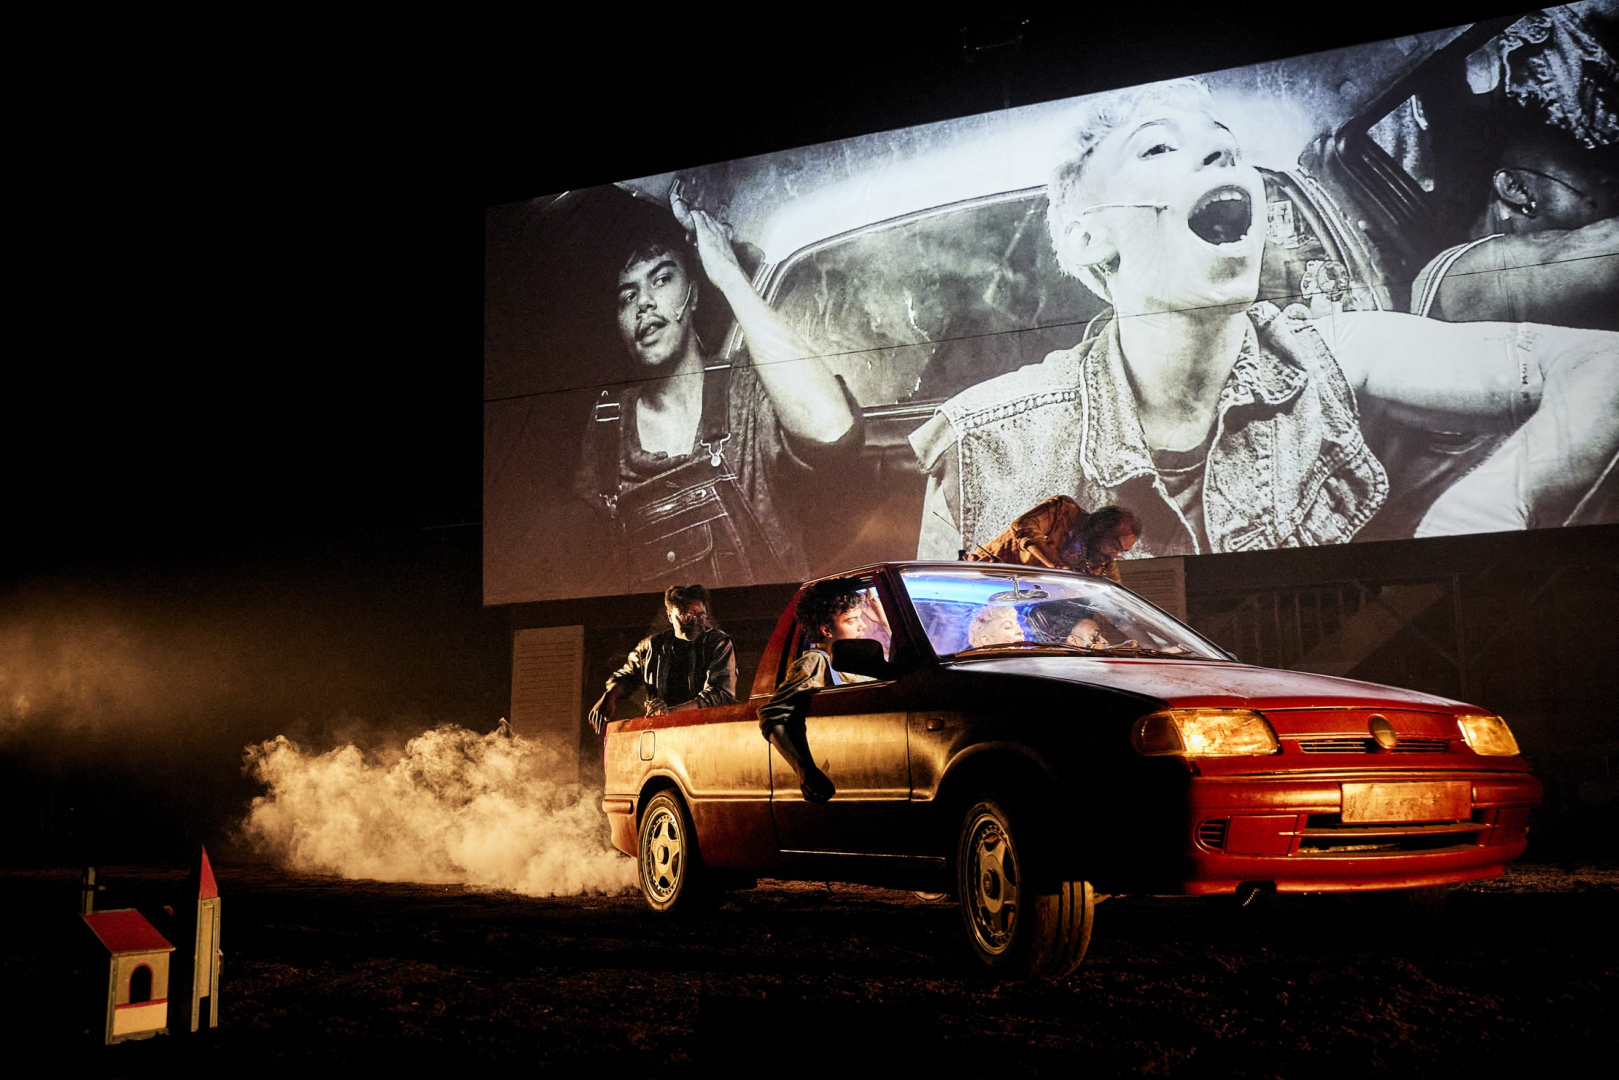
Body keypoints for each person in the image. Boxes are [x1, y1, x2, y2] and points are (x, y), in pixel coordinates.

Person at [911, 78, 1619, 557]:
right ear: (1088, 237)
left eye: (1226, 145)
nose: (1221, 153)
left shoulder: (1327, 353)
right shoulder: (983, 442)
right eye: (1158, 146)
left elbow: (1602, 365)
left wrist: (1491, 507)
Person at [576, 183, 866, 594]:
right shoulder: (606, 426)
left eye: (661, 279)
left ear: (692, 294)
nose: (644, 303)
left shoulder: (747, 387)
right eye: (628, 295)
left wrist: (729, 275)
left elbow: (833, 429)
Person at [757, 580, 881, 803]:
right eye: (852, 620)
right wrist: (805, 770)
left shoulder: (856, 661)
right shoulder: (815, 661)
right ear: (826, 629)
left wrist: (882, 619)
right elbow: (772, 714)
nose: (862, 626)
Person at [588, 584, 736, 735]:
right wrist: (610, 695)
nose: (695, 622)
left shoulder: (718, 643)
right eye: (686, 616)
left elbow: (719, 693)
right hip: (663, 737)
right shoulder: (651, 647)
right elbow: (627, 676)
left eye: (700, 615)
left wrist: (669, 712)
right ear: (670, 616)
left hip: (706, 734)